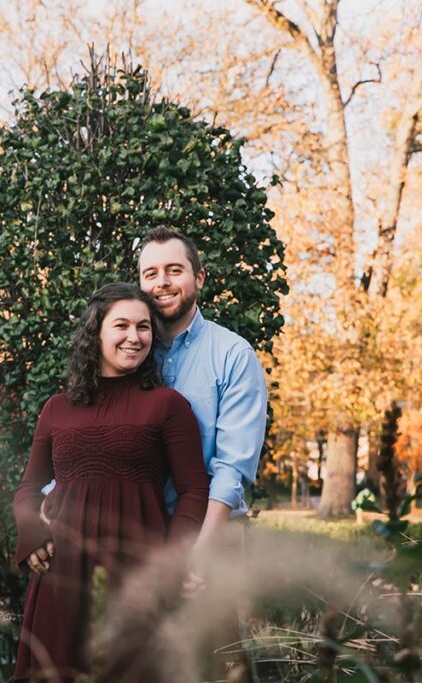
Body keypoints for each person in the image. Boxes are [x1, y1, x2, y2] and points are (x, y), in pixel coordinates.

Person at [12, 282, 209, 683]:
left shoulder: (168, 406)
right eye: (121, 325)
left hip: (136, 574)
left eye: (143, 327)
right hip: (62, 574)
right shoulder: (57, 409)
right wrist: (29, 531)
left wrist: (171, 564)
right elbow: (28, 489)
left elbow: (193, 491)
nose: (133, 338)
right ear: (96, 332)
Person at [137, 226, 268, 679]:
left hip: (212, 534)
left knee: (210, 664)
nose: (162, 283)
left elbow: (232, 469)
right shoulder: (129, 349)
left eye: (175, 270)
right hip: (142, 534)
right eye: (150, 273)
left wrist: (198, 553)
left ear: (200, 278)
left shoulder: (232, 354)